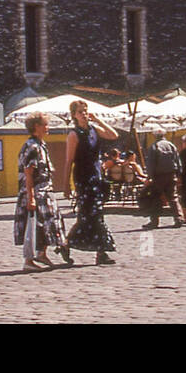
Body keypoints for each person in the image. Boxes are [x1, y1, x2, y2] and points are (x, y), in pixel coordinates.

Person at [64, 99, 118, 265]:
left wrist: (98, 119)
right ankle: (69, 244)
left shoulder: (94, 129)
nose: (84, 114)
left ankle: (100, 252)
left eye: (86, 111)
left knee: (96, 214)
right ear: (74, 115)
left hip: (96, 176)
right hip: (83, 178)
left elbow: (114, 135)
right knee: (89, 214)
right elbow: (69, 160)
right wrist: (66, 185)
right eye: (80, 112)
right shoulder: (74, 134)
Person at [13, 113, 66, 271]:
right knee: (33, 225)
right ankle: (28, 261)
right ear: (36, 126)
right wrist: (30, 198)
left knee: (46, 226)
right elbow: (28, 173)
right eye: (45, 124)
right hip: (36, 193)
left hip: (44, 193)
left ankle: (41, 254)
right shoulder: (32, 147)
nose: (47, 127)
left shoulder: (40, 144)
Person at [144, 135, 184, 229]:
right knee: (173, 197)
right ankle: (179, 218)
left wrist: (149, 176)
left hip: (159, 176)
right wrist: (178, 174)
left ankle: (154, 221)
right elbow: (178, 161)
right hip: (171, 174)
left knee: (156, 198)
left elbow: (151, 163)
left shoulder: (154, 146)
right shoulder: (171, 145)